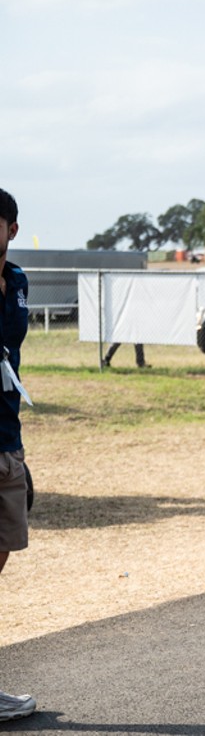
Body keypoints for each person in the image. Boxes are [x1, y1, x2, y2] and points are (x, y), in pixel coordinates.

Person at [0, 188, 36, 723]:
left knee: (1, 555)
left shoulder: (19, 281)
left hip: (7, 436)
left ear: (9, 227)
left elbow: (11, 338)